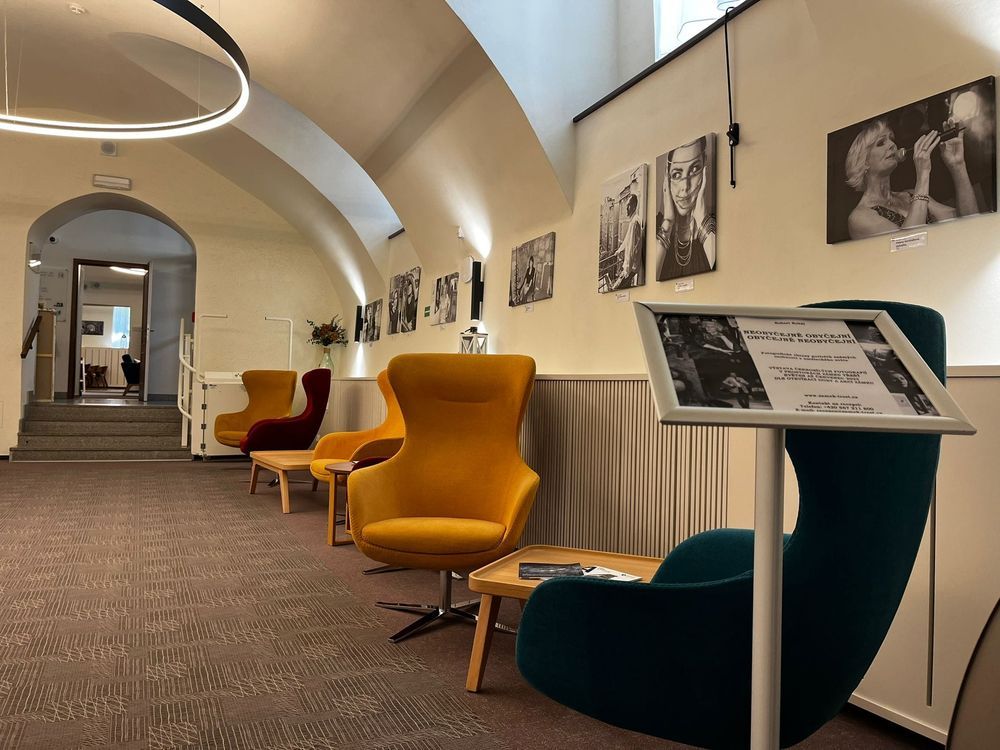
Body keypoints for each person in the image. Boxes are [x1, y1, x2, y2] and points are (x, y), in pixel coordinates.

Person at [845, 118, 978, 240]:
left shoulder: (910, 195)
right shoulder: (859, 217)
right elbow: (909, 244)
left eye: (891, 139)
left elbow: (969, 221)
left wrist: (957, 165)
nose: (892, 145)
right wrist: (923, 173)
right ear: (864, 162)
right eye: (881, 143)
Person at [657, 136, 716, 281]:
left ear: (704, 168)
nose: (685, 186)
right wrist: (668, 221)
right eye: (676, 174)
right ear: (667, 178)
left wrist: (702, 219)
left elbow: (726, 278)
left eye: (694, 169)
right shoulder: (656, 226)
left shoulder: (715, 229)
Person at [611, 193, 643, 290]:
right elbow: (627, 240)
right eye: (626, 206)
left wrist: (627, 269)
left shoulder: (635, 222)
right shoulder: (633, 220)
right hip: (630, 266)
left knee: (615, 289)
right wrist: (619, 250)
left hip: (631, 267)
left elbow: (634, 248)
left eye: (628, 205)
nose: (626, 209)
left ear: (634, 206)